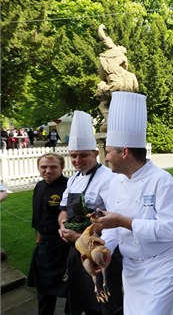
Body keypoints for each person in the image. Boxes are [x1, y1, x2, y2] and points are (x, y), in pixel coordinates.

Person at [92, 92, 173, 315]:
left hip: (162, 266)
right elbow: (112, 230)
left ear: (124, 152)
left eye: (108, 152)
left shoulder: (162, 181)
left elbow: (170, 230)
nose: (105, 158)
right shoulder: (114, 183)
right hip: (132, 268)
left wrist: (124, 221)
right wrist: (105, 252)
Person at [58, 111, 123, 315]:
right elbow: (63, 210)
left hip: (100, 252)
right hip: (76, 250)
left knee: (105, 302)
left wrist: (80, 237)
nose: (77, 160)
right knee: (80, 298)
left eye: (83, 155)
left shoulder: (108, 179)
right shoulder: (73, 179)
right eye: (74, 156)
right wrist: (62, 226)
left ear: (95, 154)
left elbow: (113, 221)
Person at [27, 153, 70, 315]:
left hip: (63, 246)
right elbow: (37, 214)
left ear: (62, 167)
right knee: (43, 290)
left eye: (53, 167)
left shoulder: (69, 186)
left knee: (68, 289)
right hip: (44, 245)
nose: (48, 171)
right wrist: (39, 236)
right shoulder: (39, 186)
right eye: (43, 167)